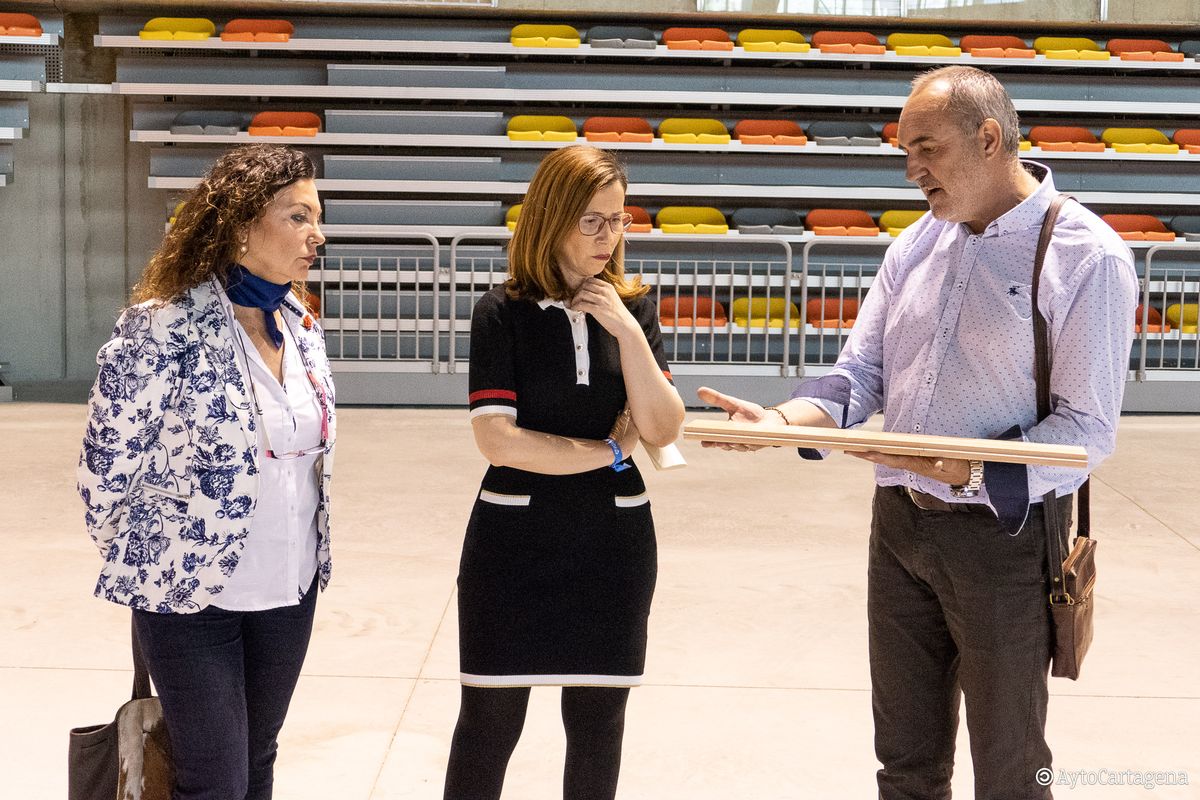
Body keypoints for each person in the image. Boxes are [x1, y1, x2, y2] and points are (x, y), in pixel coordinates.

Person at [699, 66, 1137, 800]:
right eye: (906, 152)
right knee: (905, 765)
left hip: (1005, 540)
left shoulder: (1086, 258)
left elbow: (1086, 431)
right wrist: (781, 422)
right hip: (898, 529)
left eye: (926, 148)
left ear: (989, 138)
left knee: (1010, 771)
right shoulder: (914, 246)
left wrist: (957, 470)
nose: (913, 171)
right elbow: (859, 373)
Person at [78, 143, 335, 800]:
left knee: (256, 760)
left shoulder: (300, 327)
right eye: (299, 217)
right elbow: (104, 471)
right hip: (192, 599)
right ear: (243, 225)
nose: (318, 235)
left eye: (318, 217)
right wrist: (157, 563)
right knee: (214, 778)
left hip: (289, 590)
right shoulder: (162, 327)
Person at [443, 145, 685, 800]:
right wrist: (606, 452)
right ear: (552, 219)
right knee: (490, 719)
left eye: (619, 219)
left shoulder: (632, 309)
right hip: (513, 544)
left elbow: (662, 428)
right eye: (592, 221)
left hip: (613, 545)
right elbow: (499, 441)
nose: (610, 236)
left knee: (599, 720)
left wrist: (628, 333)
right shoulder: (503, 313)